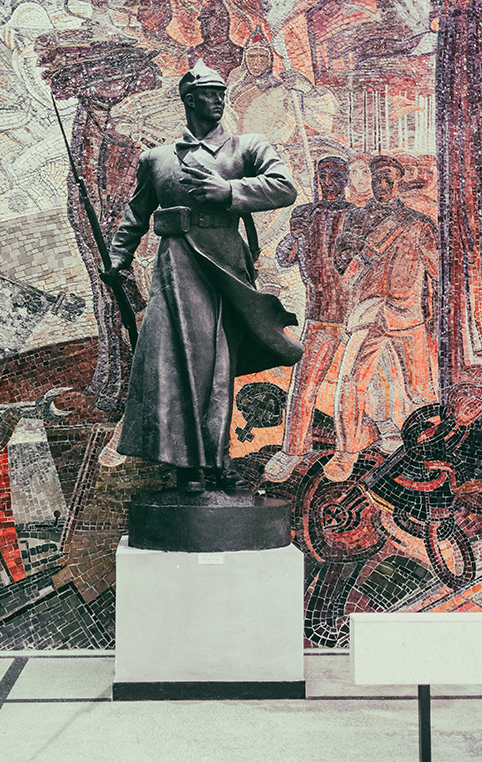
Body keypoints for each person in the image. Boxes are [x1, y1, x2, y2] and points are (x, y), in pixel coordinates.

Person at [104, 60, 303, 492]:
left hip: (225, 266)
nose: (219, 100)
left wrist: (229, 191)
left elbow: (284, 186)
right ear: (190, 100)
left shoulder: (246, 147)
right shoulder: (156, 159)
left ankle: (216, 458)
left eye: (221, 93)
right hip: (176, 267)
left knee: (218, 365)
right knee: (179, 363)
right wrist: (117, 258)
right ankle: (188, 465)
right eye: (210, 93)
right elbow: (136, 215)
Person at [324, 155, 438, 482]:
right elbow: (341, 264)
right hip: (368, 311)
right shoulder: (357, 218)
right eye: (378, 180)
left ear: (399, 182)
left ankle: (428, 449)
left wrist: (433, 312)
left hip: (409, 315)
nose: (383, 186)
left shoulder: (419, 223)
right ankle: (346, 452)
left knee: (421, 390)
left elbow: (438, 271)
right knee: (351, 379)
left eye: (389, 180)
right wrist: (354, 252)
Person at [264, 156, 353, 482]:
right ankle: (294, 449)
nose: (328, 182)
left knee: (358, 387)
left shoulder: (357, 215)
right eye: (323, 175)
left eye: (336, 175)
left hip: (358, 314)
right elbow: (283, 258)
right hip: (320, 314)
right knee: (303, 386)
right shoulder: (305, 214)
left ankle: (355, 448)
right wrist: (293, 235)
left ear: (346, 180)